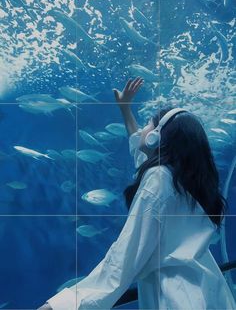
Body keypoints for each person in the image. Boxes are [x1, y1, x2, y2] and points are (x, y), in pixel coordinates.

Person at [37, 77, 236, 310]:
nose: (142, 130)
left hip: (177, 298)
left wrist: (66, 303)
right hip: (210, 291)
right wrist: (125, 110)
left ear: (158, 137)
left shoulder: (160, 178)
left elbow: (125, 255)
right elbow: (141, 155)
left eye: (148, 125)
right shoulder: (187, 181)